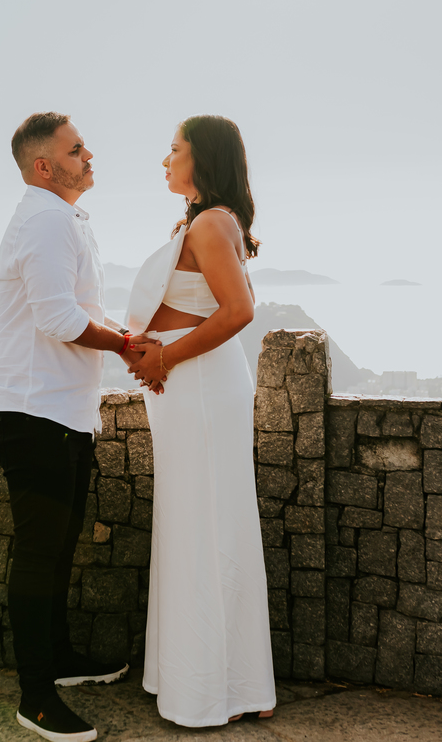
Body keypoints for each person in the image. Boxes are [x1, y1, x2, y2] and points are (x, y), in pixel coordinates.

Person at [0, 112, 144, 742]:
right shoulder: (45, 219)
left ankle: (61, 661)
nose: (89, 154)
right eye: (77, 150)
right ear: (44, 165)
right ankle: (36, 697)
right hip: (32, 412)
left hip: (59, 411)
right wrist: (130, 344)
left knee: (59, 549)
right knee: (40, 554)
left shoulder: (62, 217)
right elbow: (57, 318)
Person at [125, 115, 277, 727]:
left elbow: (239, 310)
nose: (164, 159)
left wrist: (163, 355)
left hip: (201, 387)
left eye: (174, 149)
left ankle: (224, 688)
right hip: (185, 387)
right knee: (193, 524)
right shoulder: (199, 221)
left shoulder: (213, 222)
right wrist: (153, 354)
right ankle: (204, 679)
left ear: (202, 158)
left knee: (209, 525)